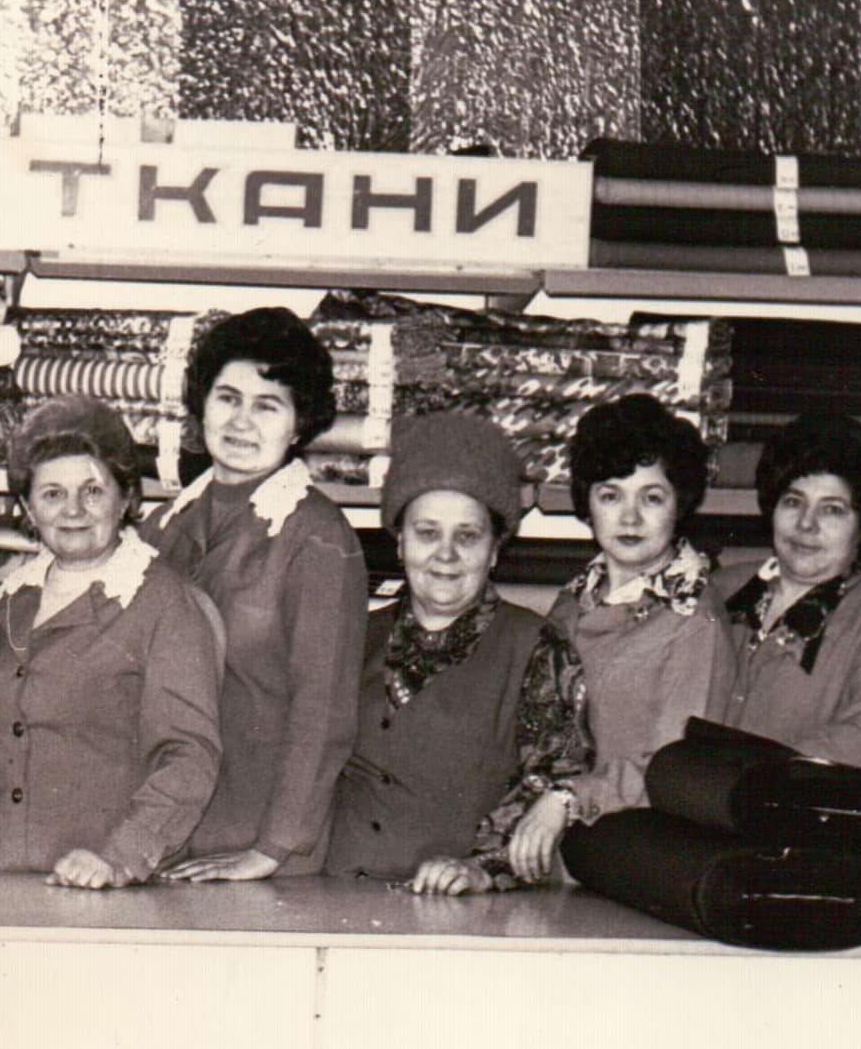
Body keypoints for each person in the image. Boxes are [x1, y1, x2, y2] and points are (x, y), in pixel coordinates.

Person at [327, 412, 595, 895]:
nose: (445, 555)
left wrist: (481, 868)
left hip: (465, 913)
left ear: (495, 550)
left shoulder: (537, 647)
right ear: (400, 539)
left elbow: (555, 787)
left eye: (467, 537)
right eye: (428, 533)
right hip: (335, 894)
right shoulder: (353, 635)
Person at [0, 396, 222, 889]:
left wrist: (119, 856)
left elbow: (188, 757)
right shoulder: (6, 599)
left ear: (126, 498)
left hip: (99, 887)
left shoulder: (164, 604)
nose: (73, 510)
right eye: (52, 494)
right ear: (26, 508)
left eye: (93, 491)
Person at [149, 308, 368, 883]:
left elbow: (325, 709)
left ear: (299, 425)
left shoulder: (317, 535)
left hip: (256, 839)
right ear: (201, 405)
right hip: (162, 828)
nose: (241, 421)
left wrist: (272, 848)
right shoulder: (162, 525)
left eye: (267, 405)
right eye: (228, 397)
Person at [546, 394, 731, 819]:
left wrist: (570, 797)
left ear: (679, 505)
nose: (629, 519)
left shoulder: (695, 620)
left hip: (630, 839)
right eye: (611, 496)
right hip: (544, 837)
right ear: (587, 504)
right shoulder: (570, 601)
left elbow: (672, 770)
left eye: (651, 498)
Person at [708, 412, 861, 771]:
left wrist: (751, 773)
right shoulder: (716, 589)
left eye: (832, 510)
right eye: (793, 502)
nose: (806, 524)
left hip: (780, 811)